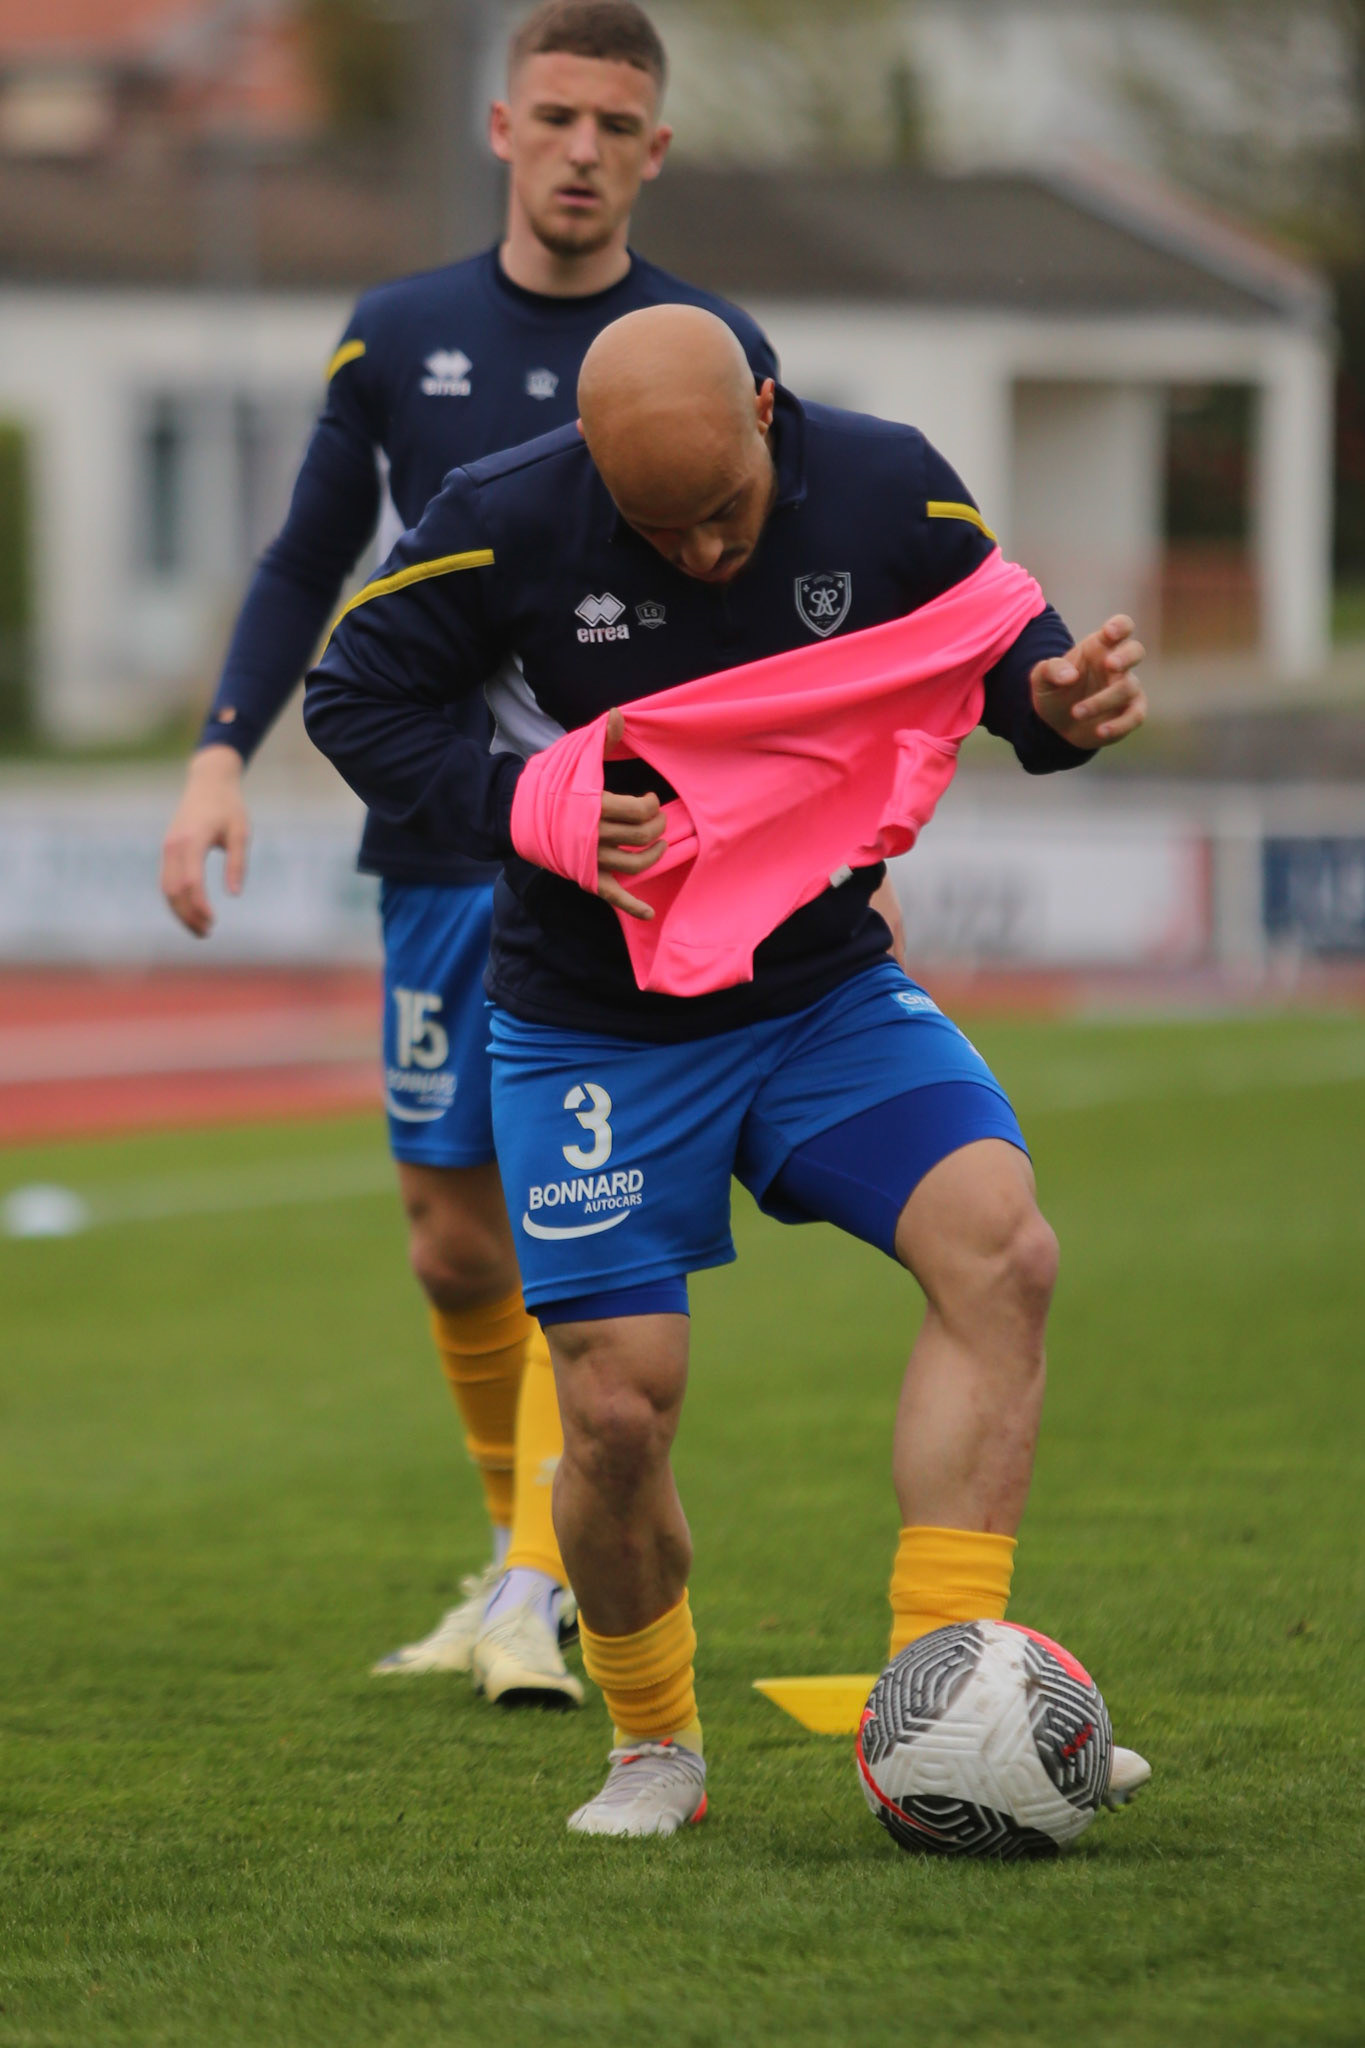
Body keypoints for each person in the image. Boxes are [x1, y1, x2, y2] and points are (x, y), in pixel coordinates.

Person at [303, 304, 1154, 1836]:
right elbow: (352, 697)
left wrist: (1058, 705)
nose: (699, 555)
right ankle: (656, 1750)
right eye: (658, 531)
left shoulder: (888, 482)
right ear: (588, 465)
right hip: (593, 1026)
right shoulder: (499, 516)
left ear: (767, 410)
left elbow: (999, 655)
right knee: (617, 1411)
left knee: (1001, 1249)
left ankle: (949, 1694)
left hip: (818, 988)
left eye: (721, 517)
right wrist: (531, 805)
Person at [159, 2, 783, 1705]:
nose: (583, 149)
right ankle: (513, 1554)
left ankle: (536, 1577)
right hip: (444, 835)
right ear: (502, 128)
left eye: (616, 125)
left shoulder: (708, 348)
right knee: (450, 1242)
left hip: (619, 860)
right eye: (556, 116)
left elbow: (763, 586)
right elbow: (308, 565)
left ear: (655, 151)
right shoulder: (398, 333)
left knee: (567, 1216)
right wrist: (218, 757)